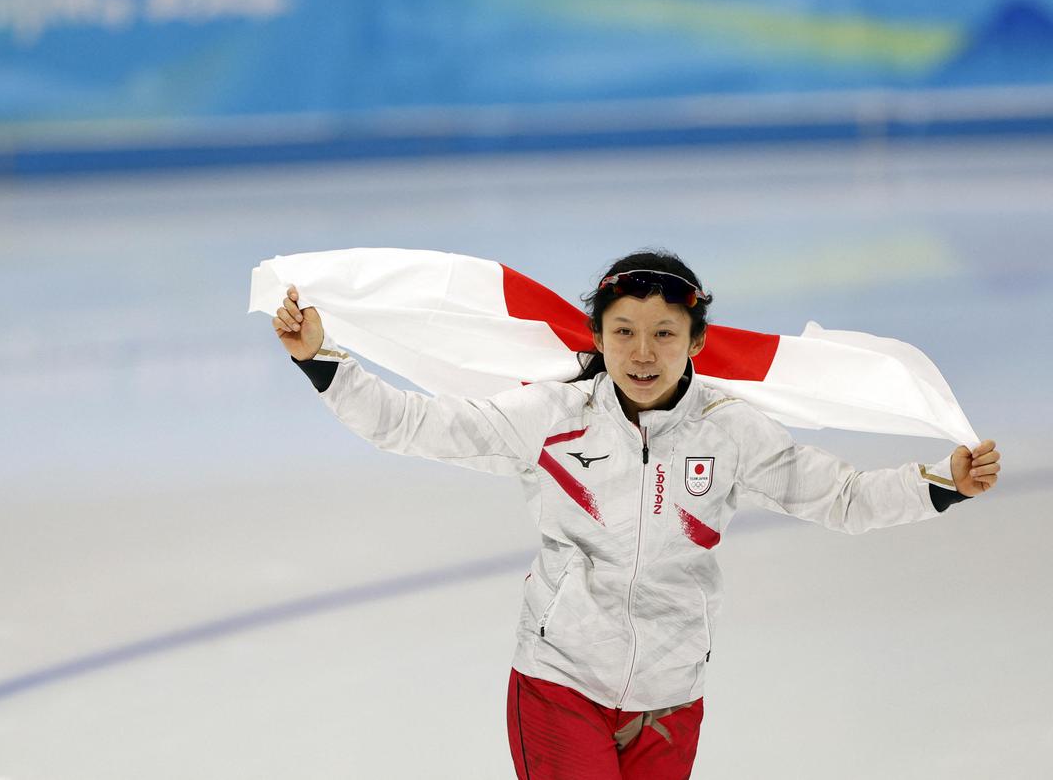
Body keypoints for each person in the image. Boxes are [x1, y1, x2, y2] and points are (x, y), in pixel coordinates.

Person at [270, 249, 1000, 780]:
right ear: (596, 336)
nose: (643, 352)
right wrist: (324, 361)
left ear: (697, 341)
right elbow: (412, 425)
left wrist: (942, 482)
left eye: (663, 333)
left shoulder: (730, 430)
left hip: (670, 700)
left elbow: (841, 497)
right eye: (623, 331)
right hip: (560, 685)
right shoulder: (549, 419)